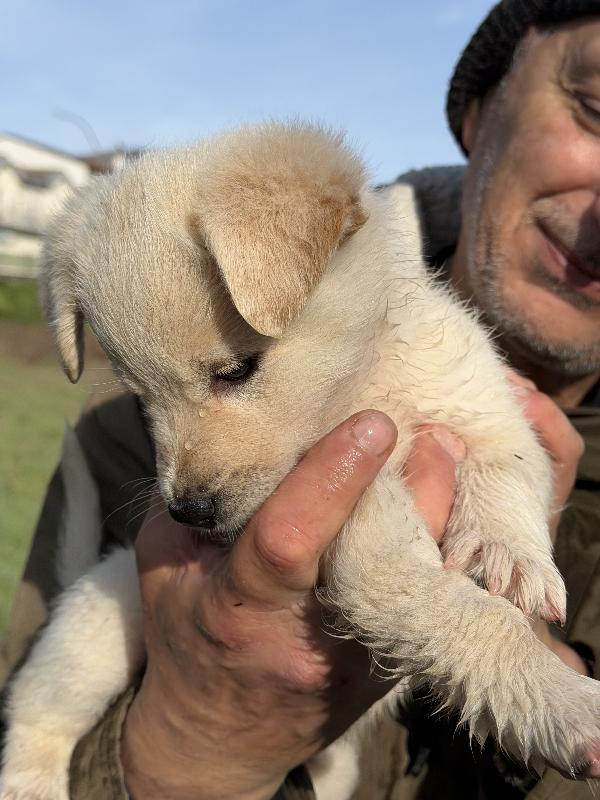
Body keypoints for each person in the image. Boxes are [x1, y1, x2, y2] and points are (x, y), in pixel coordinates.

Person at [2, 1, 600, 797]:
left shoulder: (396, 329)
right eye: (594, 108)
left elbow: (489, 456)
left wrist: (511, 548)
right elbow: (374, 563)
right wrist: (186, 746)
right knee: (105, 606)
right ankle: (35, 746)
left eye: (236, 372)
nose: (182, 478)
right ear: (482, 104)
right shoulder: (126, 429)